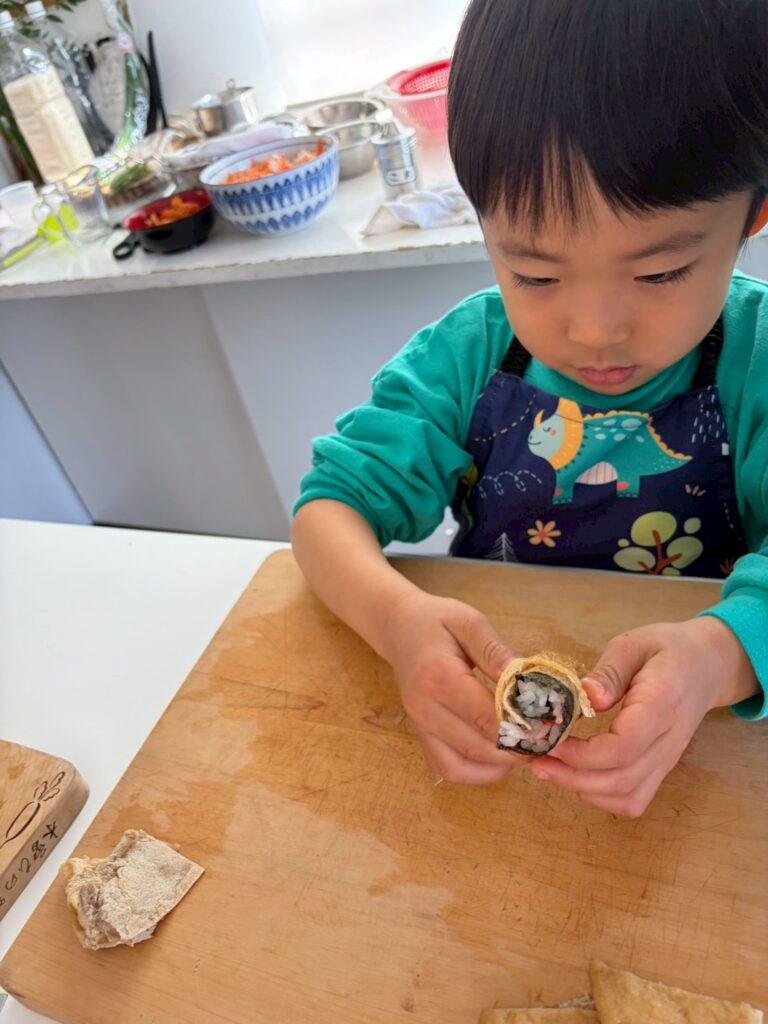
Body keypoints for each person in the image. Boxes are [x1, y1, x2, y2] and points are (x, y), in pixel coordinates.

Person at [292, 0, 768, 817]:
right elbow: (327, 512)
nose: (595, 331)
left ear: (754, 214)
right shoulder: (465, 359)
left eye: (659, 274)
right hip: (495, 757)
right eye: (536, 275)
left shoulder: (754, 363)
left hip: (705, 755)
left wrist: (721, 653)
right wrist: (398, 620)